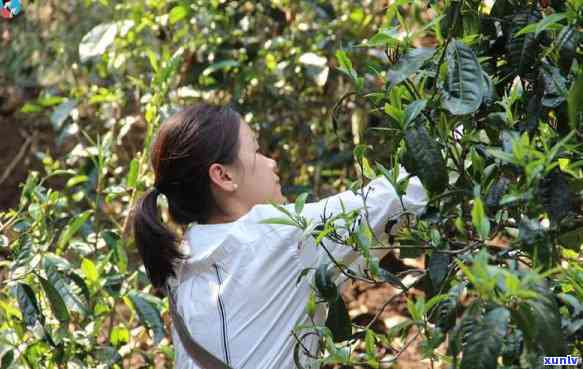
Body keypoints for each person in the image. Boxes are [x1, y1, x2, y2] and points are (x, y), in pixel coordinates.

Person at [132, 103, 428, 369]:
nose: (271, 163)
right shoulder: (276, 237)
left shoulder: (182, 262)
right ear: (224, 176)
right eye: (256, 151)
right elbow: (400, 195)